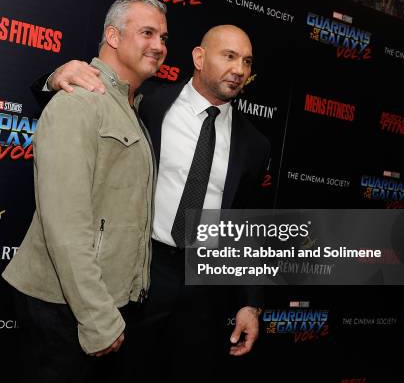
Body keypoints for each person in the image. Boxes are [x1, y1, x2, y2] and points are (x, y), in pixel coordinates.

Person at [36, 24, 271, 381]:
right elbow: (71, 107)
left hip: (206, 286)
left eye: (247, 61)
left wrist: (250, 302)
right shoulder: (148, 104)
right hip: (142, 273)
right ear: (199, 57)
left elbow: (247, 226)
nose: (239, 69)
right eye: (229, 56)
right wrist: (55, 77)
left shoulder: (255, 144)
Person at [2, 0, 168, 382]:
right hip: (64, 306)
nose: (159, 45)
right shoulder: (78, 101)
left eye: (163, 36)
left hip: (102, 302)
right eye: (147, 32)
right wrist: (96, 317)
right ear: (112, 35)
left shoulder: (128, 105)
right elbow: (65, 222)